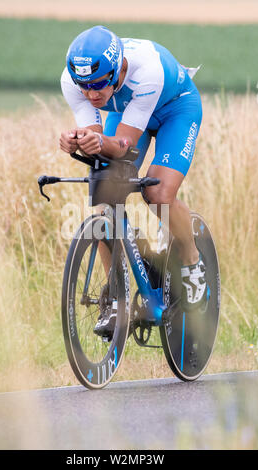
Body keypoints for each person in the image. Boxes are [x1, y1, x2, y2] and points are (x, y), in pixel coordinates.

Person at [60, 25, 208, 337]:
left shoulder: (147, 71)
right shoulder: (74, 81)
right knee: (104, 199)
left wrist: (99, 143)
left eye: (99, 84)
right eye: (83, 86)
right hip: (128, 109)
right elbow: (97, 139)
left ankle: (193, 262)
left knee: (158, 192)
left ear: (117, 70)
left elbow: (123, 144)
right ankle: (117, 296)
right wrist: (78, 140)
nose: (91, 94)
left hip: (175, 109)